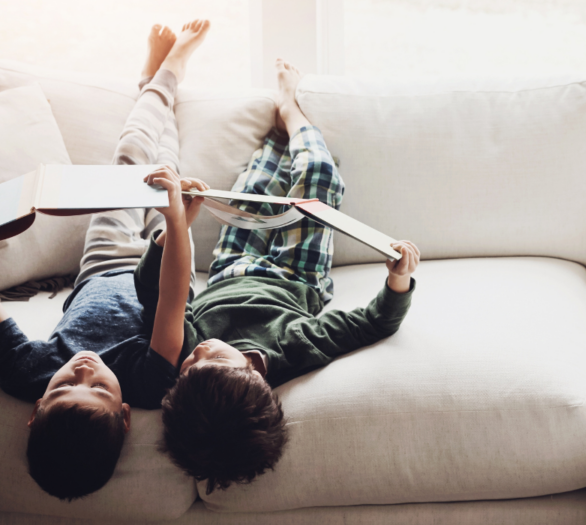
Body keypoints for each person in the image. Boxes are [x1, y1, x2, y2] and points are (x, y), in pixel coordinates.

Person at [0, 20, 212, 501]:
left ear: (37, 406)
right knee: (168, 172)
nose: (84, 369)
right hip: (165, 265)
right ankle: (159, 80)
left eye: (66, 385)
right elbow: (171, 298)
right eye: (101, 389)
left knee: (132, 158)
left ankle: (162, 76)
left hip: (103, 264)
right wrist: (175, 226)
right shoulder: (149, 384)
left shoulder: (27, 373)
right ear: (125, 414)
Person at [156, 59, 421, 494]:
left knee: (255, 184)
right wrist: (398, 281)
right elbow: (371, 324)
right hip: (296, 274)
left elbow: (165, 293)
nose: (199, 350)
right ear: (255, 376)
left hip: (230, 267)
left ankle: (278, 141)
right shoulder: (294, 347)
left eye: (189, 366)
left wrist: (175, 231)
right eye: (214, 359)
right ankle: (292, 111)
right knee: (318, 179)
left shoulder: (190, 369)